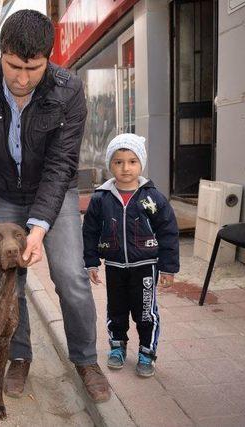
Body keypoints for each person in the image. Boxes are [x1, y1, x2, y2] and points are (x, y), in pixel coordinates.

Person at [0, 9, 110, 402]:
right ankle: (20, 356)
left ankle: (85, 359)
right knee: (10, 280)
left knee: (71, 278)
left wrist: (40, 228)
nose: (22, 79)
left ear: (48, 59)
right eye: (13, 67)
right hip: (2, 197)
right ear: (1, 53)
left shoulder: (68, 90)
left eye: (33, 68)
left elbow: (62, 164)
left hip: (52, 196)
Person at [82, 134, 179, 377]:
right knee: (116, 309)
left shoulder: (152, 198)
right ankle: (117, 347)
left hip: (145, 267)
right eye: (118, 162)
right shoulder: (100, 198)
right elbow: (90, 232)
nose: (125, 168)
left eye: (132, 161)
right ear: (110, 164)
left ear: (141, 164)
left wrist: (168, 268)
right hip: (114, 265)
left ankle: (147, 351)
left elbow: (168, 233)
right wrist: (91, 262)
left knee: (145, 312)